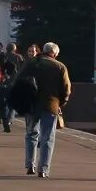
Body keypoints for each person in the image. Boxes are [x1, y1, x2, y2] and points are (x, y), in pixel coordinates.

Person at [22, 41, 72, 177]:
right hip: (51, 105)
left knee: (31, 134)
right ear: (55, 54)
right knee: (47, 138)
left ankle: (30, 165)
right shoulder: (60, 67)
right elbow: (66, 89)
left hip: (32, 105)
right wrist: (60, 103)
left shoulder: (31, 63)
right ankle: (43, 169)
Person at [0, 43, 21, 132]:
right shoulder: (4, 58)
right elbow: (13, 68)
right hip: (4, 84)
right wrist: (6, 76)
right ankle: (6, 122)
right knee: (3, 105)